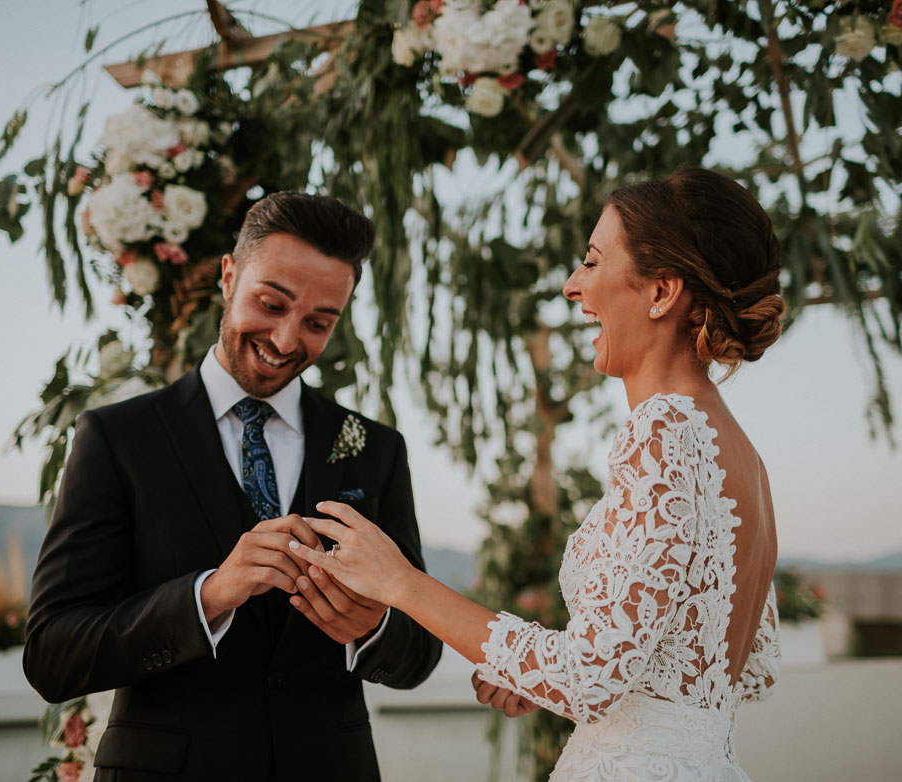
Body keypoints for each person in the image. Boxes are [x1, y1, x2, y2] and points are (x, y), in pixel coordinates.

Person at [288, 167, 785, 781]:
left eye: (593, 262)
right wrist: (538, 671)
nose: (574, 286)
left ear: (662, 291)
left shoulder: (662, 431)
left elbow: (588, 678)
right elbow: (746, 667)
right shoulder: (739, 452)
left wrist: (402, 584)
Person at [24, 191, 442, 781]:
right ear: (228, 276)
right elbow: (53, 655)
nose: (287, 339)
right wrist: (210, 595)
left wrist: (371, 628)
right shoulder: (118, 438)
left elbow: (420, 650)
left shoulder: (375, 451)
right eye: (271, 304)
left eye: (319, 322)